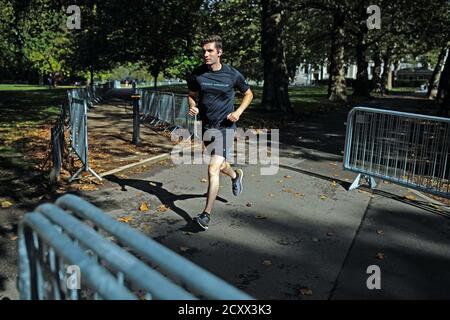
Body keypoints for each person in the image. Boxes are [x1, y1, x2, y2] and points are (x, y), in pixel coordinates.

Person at [187, 35, 254, 230]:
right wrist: (193, 106)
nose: (205, 54)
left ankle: (206, 215)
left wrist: (238, 112)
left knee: (212, 168)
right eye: (204, 51)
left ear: (219, 52)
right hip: (207, 127)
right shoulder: (197, 74)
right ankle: (235, 175)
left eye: (209, 51)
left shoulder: (232, 75)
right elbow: (192, 95)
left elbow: (249, 93)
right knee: (222, 165)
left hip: (226, 127)